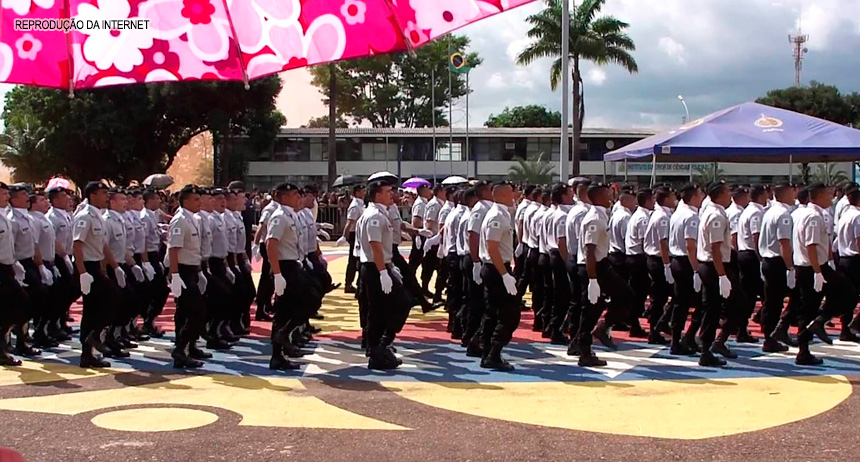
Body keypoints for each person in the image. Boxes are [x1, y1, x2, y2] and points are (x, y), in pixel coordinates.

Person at [793, 183, 857, 365]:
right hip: (812, 268)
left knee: (816, 305)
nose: (831, 198)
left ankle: (817, 325)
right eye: (828, 194)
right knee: (845, 295)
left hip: (814, 266)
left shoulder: (809, 213)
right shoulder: (813, 216)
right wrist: (818, 272)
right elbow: (811, 245)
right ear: (819, 196)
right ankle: (807, 344)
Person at [356, 181, 414, 370]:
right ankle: (379, 346)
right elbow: (375, 245)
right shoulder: (374, 215)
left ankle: (379, 348)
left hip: (379, 266)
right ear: (378, 195)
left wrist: (388, 267)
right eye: (388, 191)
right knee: (392, 306)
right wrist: (383, 271)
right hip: (375, 268)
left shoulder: (380, 213)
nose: (392, 194)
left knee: (381, 310)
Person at [575, 183, 633, 366]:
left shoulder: (601, 215)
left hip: (601, 264)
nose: (611, 197)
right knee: (590, 309)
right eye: (608, 194)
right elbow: (589, 250)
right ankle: (584, 349)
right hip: (594, 267)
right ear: (599, 197)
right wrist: (593, 280)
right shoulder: (594, 218)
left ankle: (597, 331)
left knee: (622, 296)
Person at [697, 182, 747, 367]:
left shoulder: (713, 212)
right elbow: (715, 248)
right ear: (719, 195)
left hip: (713, 266)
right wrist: (722, 276)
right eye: (727, 193)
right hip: (715, 267)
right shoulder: (716, 215)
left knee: (714, 308)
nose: (730, 196)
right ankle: (710, 346)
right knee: (721, 307)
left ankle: (712, 345)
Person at [72, 182, 116, 368]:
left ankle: (93, 339)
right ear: (92, 195)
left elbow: (103, 245)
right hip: (87, 267)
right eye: (103, 193)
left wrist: (110, 267)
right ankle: (88, 349)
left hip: (96, 266)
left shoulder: (98, 217)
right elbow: (77, 245)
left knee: (109, 300)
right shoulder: (85, 216)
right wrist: (82, 273)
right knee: (92, 308)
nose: (107, 196)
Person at [478, 182, 520, 371]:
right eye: (512, 192)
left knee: (493, 313)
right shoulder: (497, 215)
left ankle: (487, 351)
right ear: (503, 195)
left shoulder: (502, 213)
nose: (515, 195)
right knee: (509, 314)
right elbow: (492, 246)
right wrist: (504, 274)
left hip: (496, 268)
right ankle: (493, 353)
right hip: (496, 269)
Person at [166, 185, 208, 369]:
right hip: (182, 270)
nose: (200, 202)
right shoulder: (180, 220)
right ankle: (181, 348)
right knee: (197, 312)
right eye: (196, 199)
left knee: (184, 313)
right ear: (186, 201)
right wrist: (175, 276)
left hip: (191, 269)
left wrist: (198, 271)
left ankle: (186, 348)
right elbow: (173, 249)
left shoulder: (192, 219)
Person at [7, 183, 50, 358]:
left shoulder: (29, 218)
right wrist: (14, 266)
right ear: (13, 198)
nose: (27, 197)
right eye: (23, 194)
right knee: (20, 303)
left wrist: (41, 267)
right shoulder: (11, 219)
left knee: (36, 299)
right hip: (17, 264)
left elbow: (35, 244)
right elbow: (10, 246)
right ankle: (12, 338)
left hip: (30, 262)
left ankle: (23, 338)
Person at [758, 183, 796, 353]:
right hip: (777, 262)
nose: (794, 195)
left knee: (770, 301)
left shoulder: (769, 212)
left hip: (768, 259)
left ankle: (768, 335)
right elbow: (784, 244)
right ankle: (770, 337)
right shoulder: (783, 214)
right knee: (775, 303)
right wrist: (790, 268)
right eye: (791, 192)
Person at [668, 184, 704, 355]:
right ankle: (687, 337)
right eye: (700, 194)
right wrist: (697, 270)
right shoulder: (691, 216)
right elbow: (691, 245)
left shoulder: (677, 214)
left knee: (680, 303)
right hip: (687, 262)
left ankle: (677, 339)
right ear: (694, 197)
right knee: (701, 302)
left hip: (677, 260)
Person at [0, 182, 31, 366]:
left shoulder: (4, 216)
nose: (7, 197)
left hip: (7, 267)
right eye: (3, 194)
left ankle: (4, 340)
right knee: (19, 303)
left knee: (21, 305)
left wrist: (14, 264)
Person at [643, 187, 676, 344]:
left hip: (658, 259)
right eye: (672, 196)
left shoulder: (662, 214)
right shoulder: (662, 216)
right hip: (659, 260)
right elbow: (663, 242)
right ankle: (655, 330)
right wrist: (667, 265)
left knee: (664, 296)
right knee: (660, 297)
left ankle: (660, 324)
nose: (675, 199)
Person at [736, 185, 767, 343]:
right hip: (751, 255)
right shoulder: (755, 212)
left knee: (754, 294)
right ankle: (743, 327)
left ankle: (755, 321)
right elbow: (757, 238)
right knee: (751, 295)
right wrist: (761, 259)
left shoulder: (748, 210)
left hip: (746, 254)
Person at [46, 186, 77, 341]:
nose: (68, 199)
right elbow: (54, 240)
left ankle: (61, 321)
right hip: (58, 257)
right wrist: (64, 257)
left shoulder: (66, 214)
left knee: (71, 290)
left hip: (68, 256)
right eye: (64, 197)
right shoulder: (52, 216)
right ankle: (54, 324)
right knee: (63, 291)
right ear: (56, 200)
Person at [624, 188, 654, 338]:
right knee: (639, 293)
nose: (654, 202)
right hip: (638, 258)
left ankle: (634, 321)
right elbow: (645, 242)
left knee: (639, 292)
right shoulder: (643, 218)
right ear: (647, 201)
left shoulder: (639, 215)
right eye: (652, 199)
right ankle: (634, 323)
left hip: (634, 257)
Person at [547, 183, 574, 345]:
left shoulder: (555, 212)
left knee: (560, 295)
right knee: (563, 296)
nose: (572, 195)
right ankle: (556, 329)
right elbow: (562, 241)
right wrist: (568, 262)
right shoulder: (563, 215)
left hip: (556, 255)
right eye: (570, 192)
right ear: (563, 196)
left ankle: (555, 327)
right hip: (560, 256)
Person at [140, 189, 169, 338]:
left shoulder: (151, 215)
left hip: (154, 255)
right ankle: (146, 321)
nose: (159, 202)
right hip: (148, 256)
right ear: (150, 200)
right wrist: (146, 262)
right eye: (157, 199)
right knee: (158, 290)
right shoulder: (145, 216)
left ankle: (149, 321)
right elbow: (143, 240)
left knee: (160, 290)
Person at [836, 187, 860, 341]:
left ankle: (846, 328)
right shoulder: (857, 216)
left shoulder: (845, 215)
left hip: (843, 257)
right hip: (855, 259)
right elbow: (859, 240)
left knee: (848, 297)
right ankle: (853, 325)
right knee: (851, 296)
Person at [252, 189, 279, 321]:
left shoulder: (279, 208)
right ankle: (262, 308)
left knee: (272, 279)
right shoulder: (270, 209)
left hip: (274, 245)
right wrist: (256, 244)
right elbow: (261, 226)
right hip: (267, 244)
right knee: (267, 279)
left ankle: (268, 305)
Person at [420, 185, 447, 302]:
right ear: (440, 191)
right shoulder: (434, 204)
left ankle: (436, 292)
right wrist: (431, 238)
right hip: (433, 240)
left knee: (439, 268)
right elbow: (430, 222)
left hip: (438, 239)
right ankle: (424, 289)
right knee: (429, 266)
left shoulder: (441, 204)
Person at [339, 185, 366, 294]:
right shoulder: (355, 205)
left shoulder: (361, 204)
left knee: (357, 259)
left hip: (359, 234)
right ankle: (348, 283)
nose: (364, 193)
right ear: (357, 192)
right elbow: (349, 222)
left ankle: (355, 283)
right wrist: (345, 236)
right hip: (355, 234)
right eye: (362, 191)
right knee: (354, 260)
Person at [407, 184, 431, 274]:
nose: (430, 192)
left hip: (422, 234)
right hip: (420, 234)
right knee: (415, 260)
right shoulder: (420, 204)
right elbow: (416, 221)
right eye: (428, 190)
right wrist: (417, 236)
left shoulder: (424, 202)